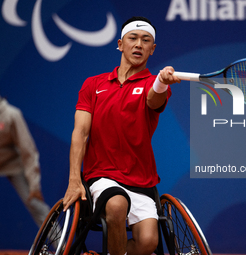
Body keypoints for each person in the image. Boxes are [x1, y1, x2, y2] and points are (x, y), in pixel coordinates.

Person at [62, 16, 181, 255]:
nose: (138, 44)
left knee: (148, 243)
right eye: (133, 38)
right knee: (116, 206)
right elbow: (80, 133)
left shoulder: (152, 84)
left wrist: (161, 82)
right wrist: (75, 180)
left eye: (145, 40)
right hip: (102, 176)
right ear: (120, 44)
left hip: (141, 181)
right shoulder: (93, 85)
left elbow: (154, 99)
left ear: (152, 49)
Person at [0, 96, 51, 228]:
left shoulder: (12, 114)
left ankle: (61, 246)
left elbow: (28, 150)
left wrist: (34, 186)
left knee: (34, 203)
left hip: (13, 164)